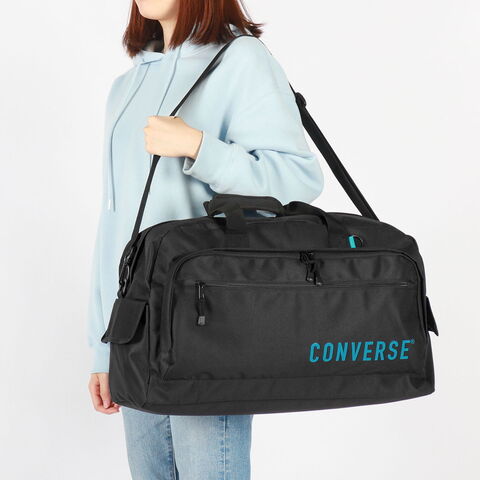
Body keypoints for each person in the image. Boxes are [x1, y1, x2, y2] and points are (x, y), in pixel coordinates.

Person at [87, 0, 324, 478]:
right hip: (136, 328)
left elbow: (298, 180)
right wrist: (103, 344)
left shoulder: (240, 59)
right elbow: (114, 224)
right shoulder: (125, 87)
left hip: (209, 322)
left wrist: (198, 147)